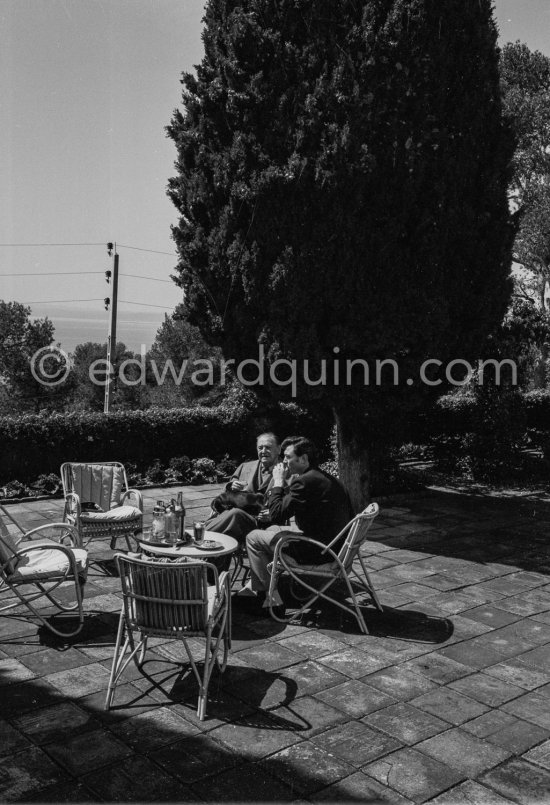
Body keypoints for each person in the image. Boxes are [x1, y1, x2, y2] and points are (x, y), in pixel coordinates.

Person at [239, 436, 353, 610]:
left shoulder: (304, 481)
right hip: (335, 546)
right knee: (273, 528)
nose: (284, 461)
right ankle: (264, 583)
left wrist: (278, 481)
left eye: (287, 457)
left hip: (317, 551)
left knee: (253, 537)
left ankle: (268, 600)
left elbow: (276, 513)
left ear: (304, 459)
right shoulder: (324, 478)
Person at [204, 431, 281, 543]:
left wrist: (273, 514)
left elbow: (290, 504)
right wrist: (231, 486)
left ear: (278, 449)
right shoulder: (245, 466)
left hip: (264, 524)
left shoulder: (287, 473)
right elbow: (226, 491)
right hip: (235, 520)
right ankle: (206, 556)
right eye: (260, 448)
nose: (263, 451)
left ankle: (199, 537)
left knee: (235, 514)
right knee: (227, 534)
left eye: (268, 447)